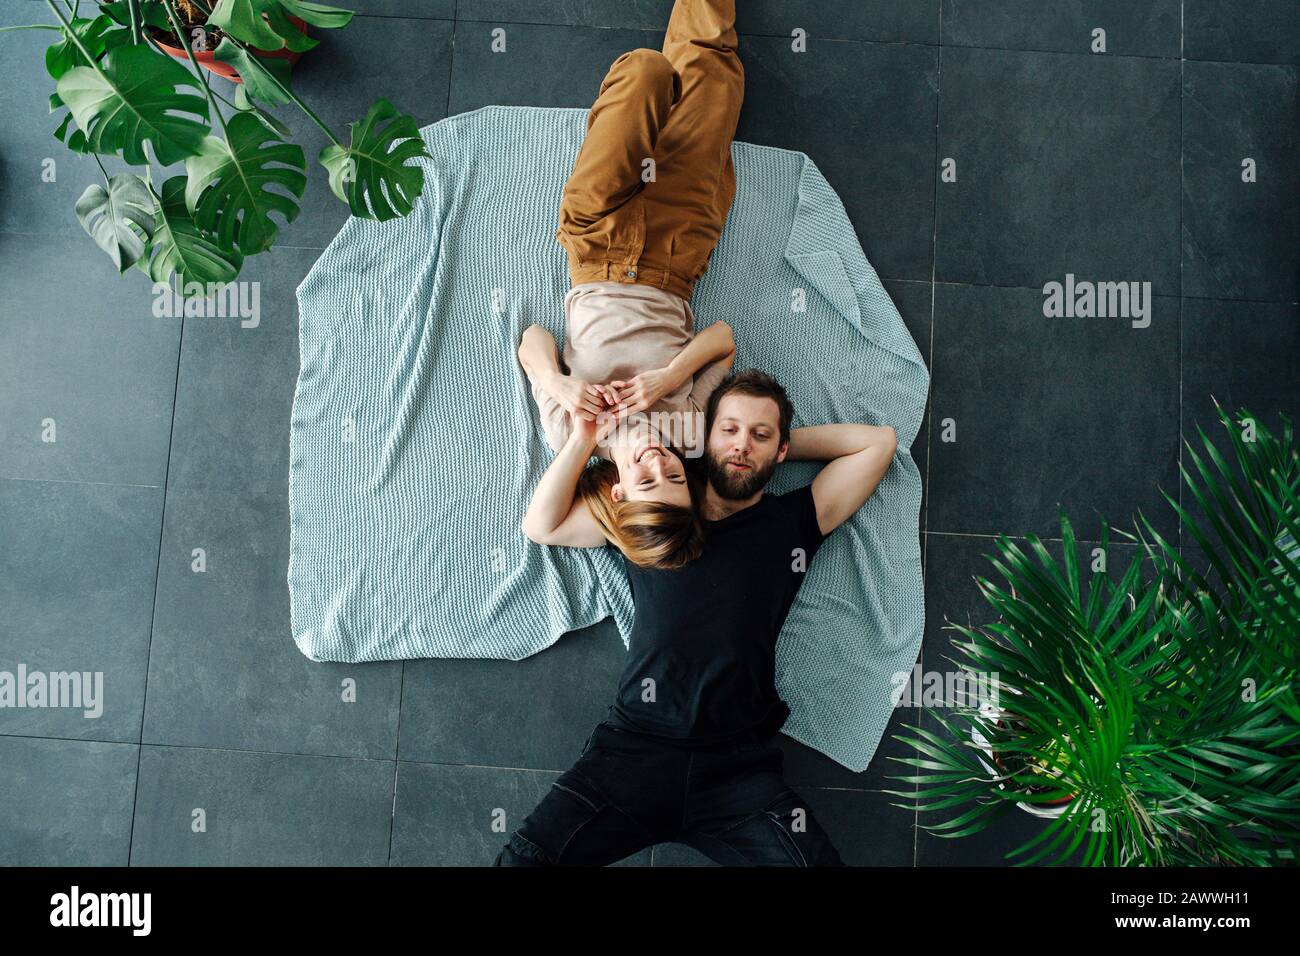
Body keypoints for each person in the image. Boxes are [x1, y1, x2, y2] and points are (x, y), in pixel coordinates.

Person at [496, 370, 899, 865]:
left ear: (780, 450)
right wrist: (586, 439)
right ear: (706, 436)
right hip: (635, 751)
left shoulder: (792, 522)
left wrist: (778, 447)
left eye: (760, 435)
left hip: (736, 769)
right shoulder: (657, 506)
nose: (741, 446)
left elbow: (878, 444)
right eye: (728, 430)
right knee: (525, 859)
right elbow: (544, 525)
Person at [515, 0, 745, 568]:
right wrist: (670, 375)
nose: (657, 460)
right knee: (716, 71)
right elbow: (723, 338)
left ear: (616, 492)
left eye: (647, 480)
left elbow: (531, 340)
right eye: (673, 475)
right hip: (677, 250)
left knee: (647, 72)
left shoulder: (568, 430)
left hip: (598, 243)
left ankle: (653, 107)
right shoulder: (687, 431)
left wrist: (563, 390)